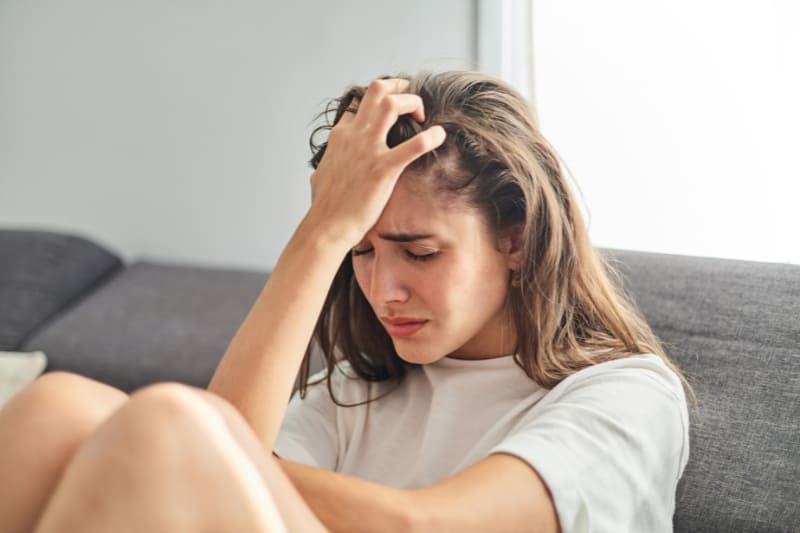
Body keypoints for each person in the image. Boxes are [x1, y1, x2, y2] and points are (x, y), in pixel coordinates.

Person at [0, 71, 692, 532]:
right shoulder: (355, 390)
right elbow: (213, 479)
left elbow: (423, 527)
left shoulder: (627, 394)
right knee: (60, 405)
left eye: (419, 252)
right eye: (360, 251)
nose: (383, 288)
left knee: (167, 422)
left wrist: (184, 446)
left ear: (517, 236)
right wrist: (322, 231)